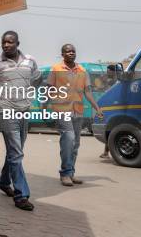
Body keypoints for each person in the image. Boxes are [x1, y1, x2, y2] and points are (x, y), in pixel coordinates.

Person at [0, 31, 40, 211]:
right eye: (3, 42)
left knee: (15, 152)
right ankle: (21, 195)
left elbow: (37, 79)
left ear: (18, 43)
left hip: (24, 111)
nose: (6, 45)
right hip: (6, 111)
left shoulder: (30, 61)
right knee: (16, 154)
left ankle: (3, 181)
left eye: (10, 42)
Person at [47, 44, 103, 187]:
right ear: (62, 54)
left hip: (77, 110)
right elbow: (48, 89)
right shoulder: (56, 69)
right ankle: (65, 173)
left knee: (76, 143)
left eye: (73, 51)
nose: (71, 53)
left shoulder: (82, 70)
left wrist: (97, 108)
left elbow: (88, 91)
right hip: (62, 110)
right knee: (69, 138)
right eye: (68, 51)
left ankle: (71, 173)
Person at [100, 64, 118, 159]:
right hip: (112, 107)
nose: (107, 73)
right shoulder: (113, 80)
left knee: (110, 130)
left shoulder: (115, 80)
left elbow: (109, 90)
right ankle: (106, 152)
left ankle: (107, 152)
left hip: (114, 108)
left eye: (108, 71)